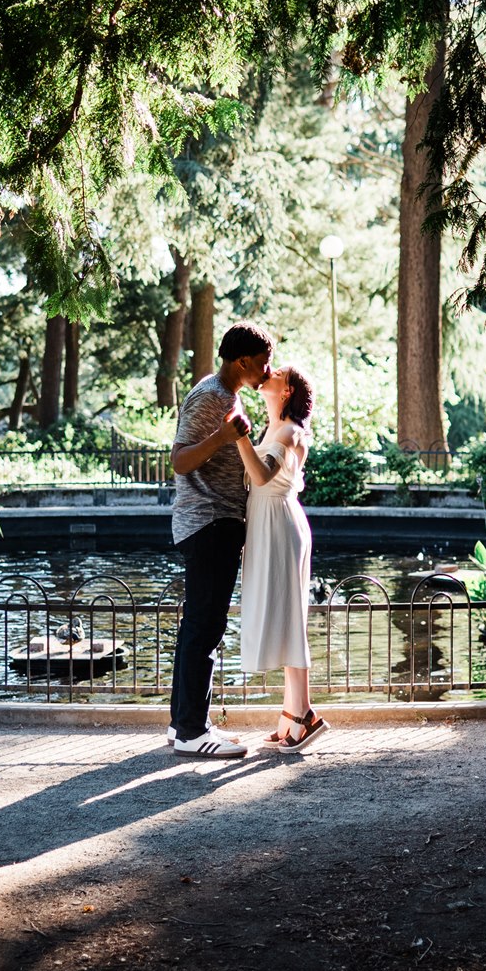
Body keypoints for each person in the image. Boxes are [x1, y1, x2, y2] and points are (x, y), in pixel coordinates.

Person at [166, 320, 274, 757]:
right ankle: (192, 734)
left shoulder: (227, 395)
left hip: (218, 523)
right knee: (204, 628)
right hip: (208, 522)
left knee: (199, 626)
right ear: (243, 361)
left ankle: (184, 725)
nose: (268, 371)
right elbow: (179, 461)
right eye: (264, 364)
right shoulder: (211, 397)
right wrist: (223, 436)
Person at [232, 365, 329, 753]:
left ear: (286, 390)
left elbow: (260, 475)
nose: (266, 374)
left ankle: (304, 715)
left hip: (280, 524)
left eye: (275, 373)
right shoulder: (274, 430)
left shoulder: (288, 431)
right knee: (289, 619)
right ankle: (293, 714)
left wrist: (238, 437)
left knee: (291, 621)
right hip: (272, 522)